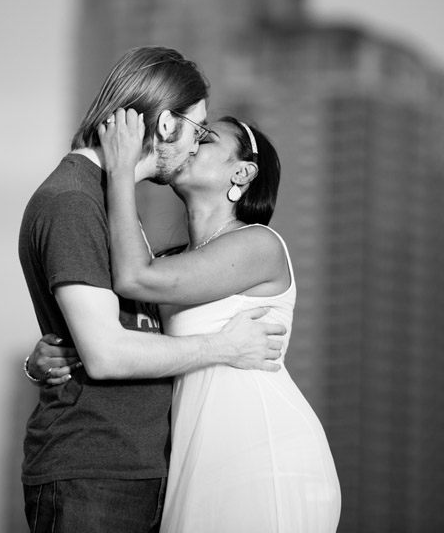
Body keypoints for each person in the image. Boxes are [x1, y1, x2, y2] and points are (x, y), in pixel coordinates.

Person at [18, 46, 286, 533]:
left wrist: (45, 358)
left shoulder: (105, 200)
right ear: (165, 125)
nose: (195, 144)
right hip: (94, 471)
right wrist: (223, 347)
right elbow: (105, 354)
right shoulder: (74, 202)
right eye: (198, 129)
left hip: (138, 469)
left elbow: (110, 325)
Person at [95, 108, 342, 531]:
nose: (189, 143)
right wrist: (53, 357)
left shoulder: (259, 244)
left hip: (265, 457)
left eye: (205, 139)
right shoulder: (172, 264)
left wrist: (120, 171)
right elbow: (124, 346)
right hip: (196, 462)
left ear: (243, 173)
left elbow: (134, 277)